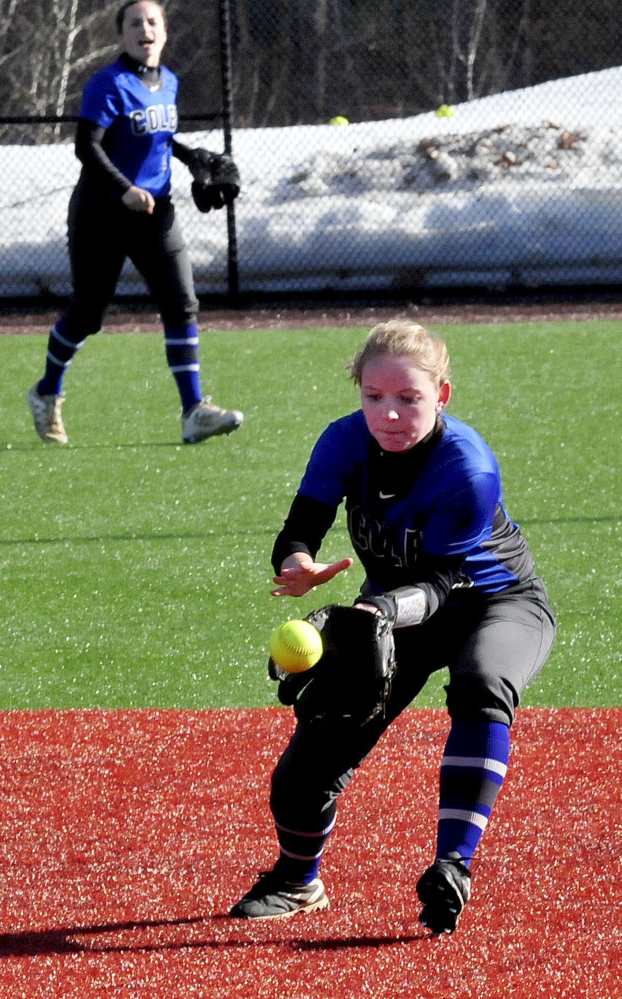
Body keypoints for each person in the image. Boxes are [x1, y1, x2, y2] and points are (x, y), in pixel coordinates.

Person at [229, 320, 556, 933]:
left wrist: (377, 612)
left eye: (409, 398)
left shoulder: (468, 468)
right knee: (314, 748)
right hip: (393, 609)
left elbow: (441, 583)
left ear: (442, 396)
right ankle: (298, 880)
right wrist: (297, 561)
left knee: (482, 684)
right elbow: (302, 522)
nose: (390, 413)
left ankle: (453, 865)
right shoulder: (344, 441)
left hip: (496, 603)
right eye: (374, 396)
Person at [27, 0, 243, 446]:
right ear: (122, 34)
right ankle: (47, 392)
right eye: (134, 23)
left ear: (163, 33)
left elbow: (155, 138)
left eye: (152, 21)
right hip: (101, 212)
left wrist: (191, 158)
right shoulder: (108, 83)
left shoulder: (169, 82)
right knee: (88, 315)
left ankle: (194, 411)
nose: (144, 29)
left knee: (182, 304)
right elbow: (87, 147)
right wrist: (124, 187)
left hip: (155, 211)